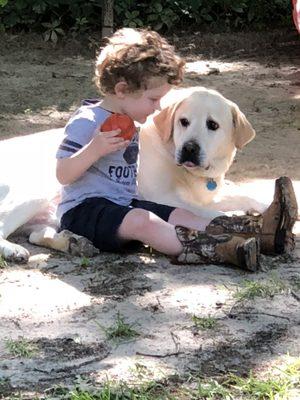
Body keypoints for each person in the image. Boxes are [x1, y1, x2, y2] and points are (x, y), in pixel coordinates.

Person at [55, 28, 298, 272]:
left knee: (180, 214)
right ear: (121, 90)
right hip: (84, 213)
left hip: (123, 204)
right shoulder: (87, 121)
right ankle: (219, 249)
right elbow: (63, 174)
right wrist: (94, 149)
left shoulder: (131, 124)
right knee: (144, 221)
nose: (159, 107)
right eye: (152, 99)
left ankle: (258, 231)